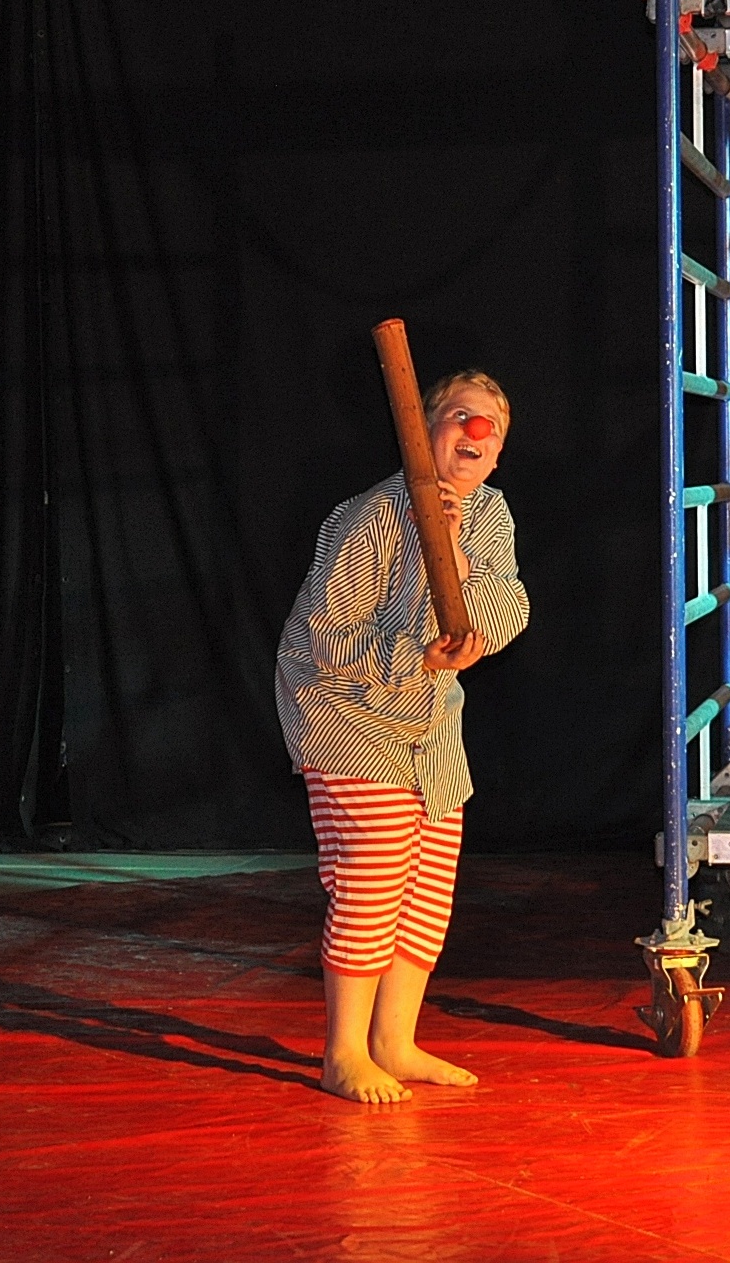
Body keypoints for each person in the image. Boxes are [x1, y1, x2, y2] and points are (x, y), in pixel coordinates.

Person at [275, 370, 529, 1103]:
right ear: (423, 429)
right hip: (345, 715)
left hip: (430, 728)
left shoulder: (491, 513)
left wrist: (459, 575)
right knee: (373, 878)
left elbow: (509, 606)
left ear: (498, 454)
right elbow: (326, 637)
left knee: (427, 889)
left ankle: (394, 1041)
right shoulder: (374, 515)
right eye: (461, 416)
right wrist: (414, 652)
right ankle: (343, 1054)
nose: (477, 431)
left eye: (491, 426)